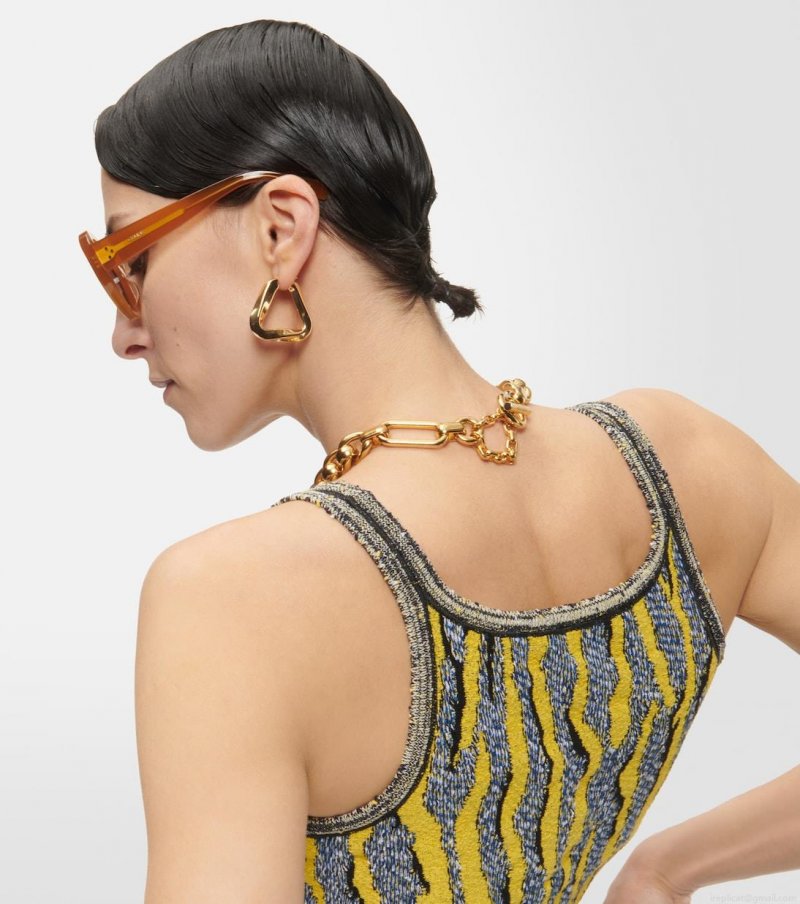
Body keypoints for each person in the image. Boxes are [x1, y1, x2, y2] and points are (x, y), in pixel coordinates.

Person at [78, 18, 800, 904]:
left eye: (130, 260)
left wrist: (669, 866)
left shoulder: (232, 598)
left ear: (280, 229)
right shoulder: (687, 463)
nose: (123, 331)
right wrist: (670, 867)